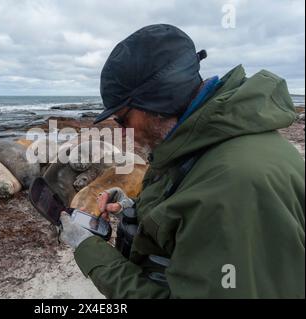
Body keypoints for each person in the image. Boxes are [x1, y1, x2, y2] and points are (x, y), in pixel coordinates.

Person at [59, 24, 305, 298]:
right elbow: (194, 212)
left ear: (158, 98)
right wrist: (136, 210)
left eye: (123, 118)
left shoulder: (232, 188)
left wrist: (91, 253)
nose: (122, 131)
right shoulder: (213, 143)